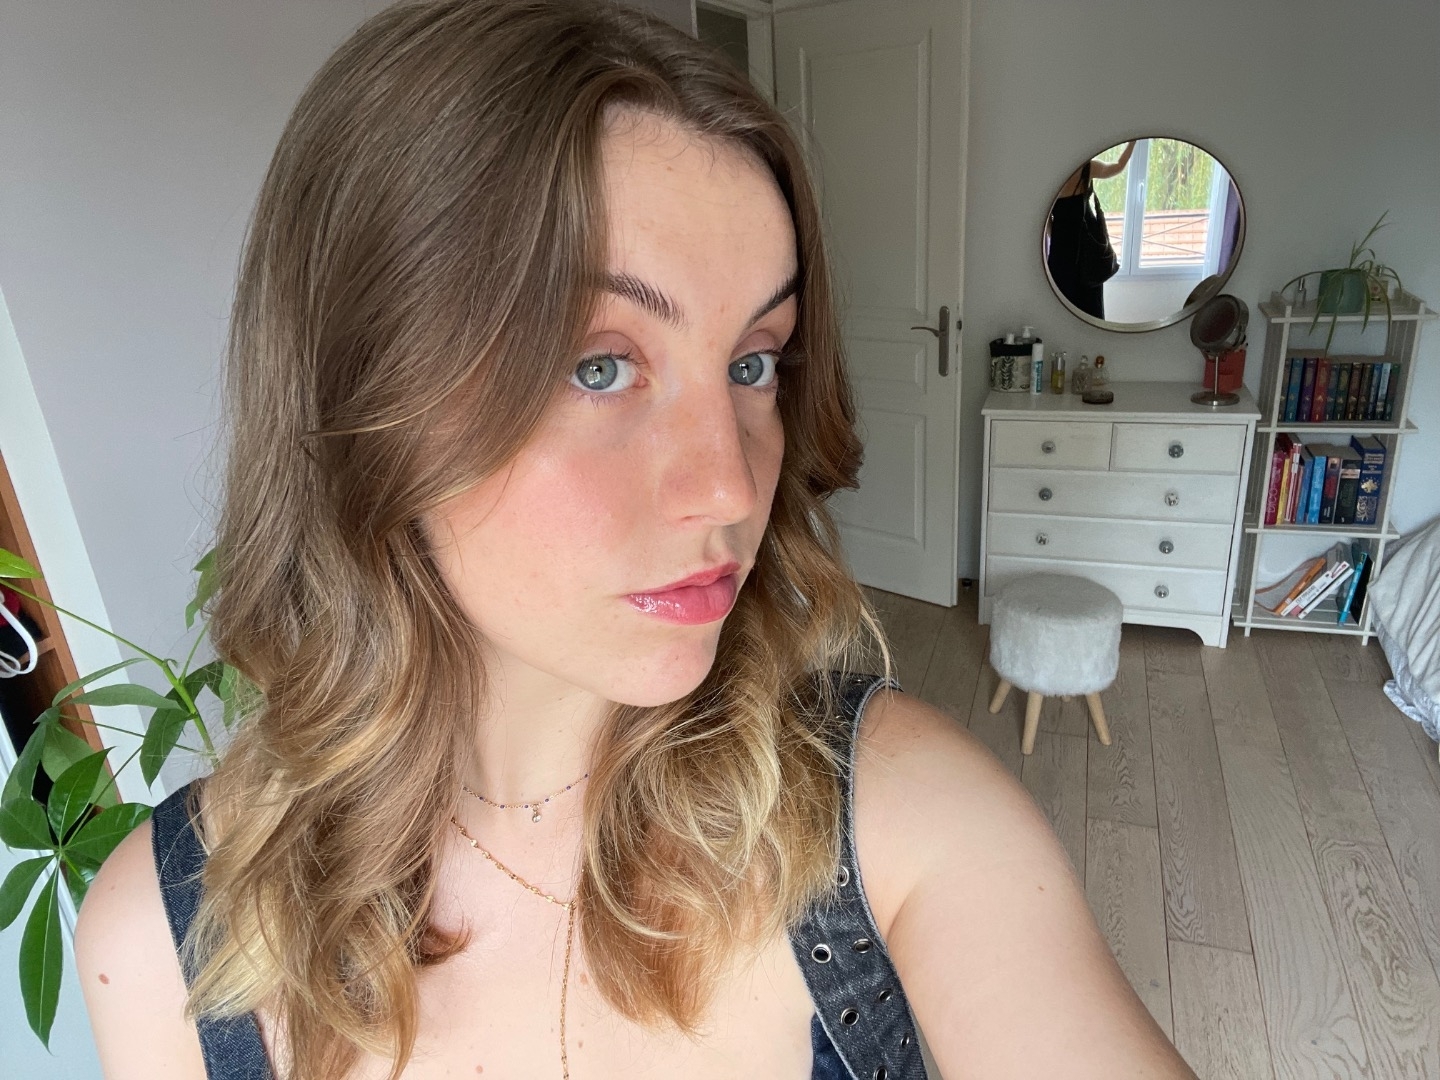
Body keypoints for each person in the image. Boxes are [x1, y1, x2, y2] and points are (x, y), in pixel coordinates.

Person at [74, 4, 1198, 1078]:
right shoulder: (165, 944)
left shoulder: (897, 815)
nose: (730, 486)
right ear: (363, 394)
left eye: (752, 361)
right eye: (598, 364)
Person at [1047, 139, 1136, 320]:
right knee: (1089, 309)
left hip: (1062, 248)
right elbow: (1118, 166)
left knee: (1062, 305)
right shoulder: (1086, 168)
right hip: (1085, 249)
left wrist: (1054, 236)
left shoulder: (1051, 173)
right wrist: (1132, 142)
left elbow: (1046, 221)